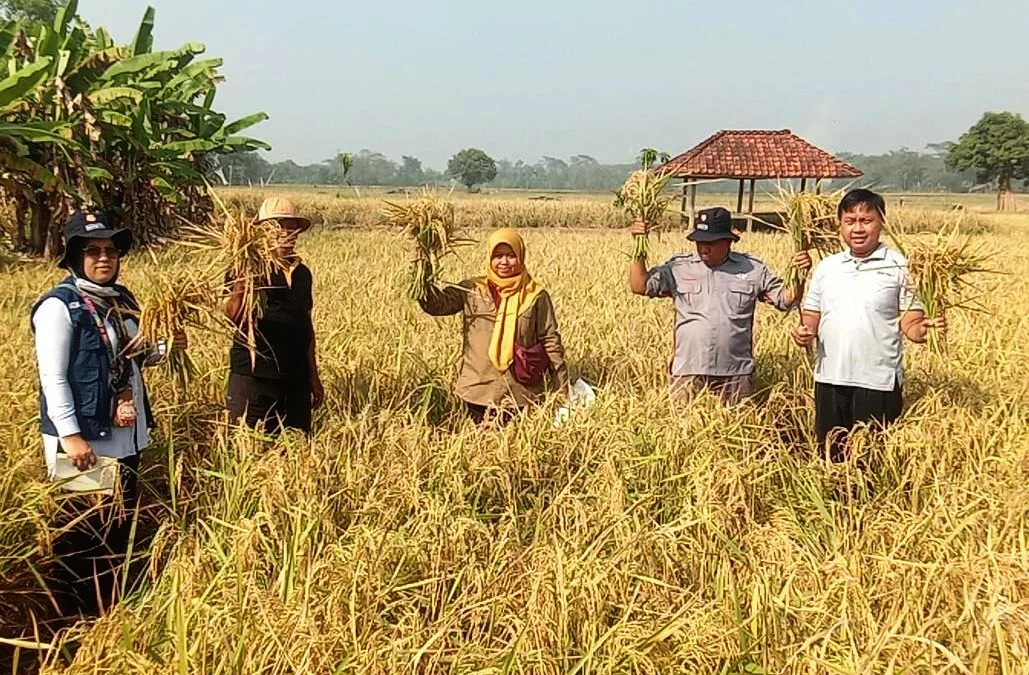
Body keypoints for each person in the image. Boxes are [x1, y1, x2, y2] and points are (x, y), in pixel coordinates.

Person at [30, 210, 187, 616]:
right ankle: (72, 618)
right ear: (73, 257)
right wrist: (71, 436)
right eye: (93, 251)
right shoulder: (59, 308)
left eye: (111, 250)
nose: (104, 258)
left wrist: (171, 345)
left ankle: (111, 610)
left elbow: (139, 357)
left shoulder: (123, 301)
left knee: (118, 525)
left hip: (126, 438)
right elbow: (53, 377)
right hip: (86, 442)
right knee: (83, 531)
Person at [791, 189, 946, 460]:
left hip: (877, 382)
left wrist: (927, 330)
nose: (858, 228)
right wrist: (804, 332)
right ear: (840, 224)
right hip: (830, 377)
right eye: (850, 221)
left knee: (871, 460)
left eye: (866, 220)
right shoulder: (827, 267)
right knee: (831, 456)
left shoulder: (901, 267)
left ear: (881, 222)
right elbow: (812, 314)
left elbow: (912, 324)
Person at [629, 206, 810, 404]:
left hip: (735, 373)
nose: (703, 248)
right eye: (700, 242)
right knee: (684, 431)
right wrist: (638, 246)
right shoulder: (679, 267)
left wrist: (800, 274)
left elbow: (786, 299)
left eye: (711, 243)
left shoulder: (752, 269)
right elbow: (640, 286)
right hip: (688, 371)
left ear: (728, 241)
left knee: (739, 426)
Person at [418, 228, 568, 424]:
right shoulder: (471, 290)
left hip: (521, 394)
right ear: (489, 257)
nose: (504, 262)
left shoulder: (535, 296)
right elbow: (435, 305)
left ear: (521, 256)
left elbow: (550, 340)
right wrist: (421, 267)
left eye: (510, 256)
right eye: (498, 256)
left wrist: (562, 387)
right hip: (478, 390)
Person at [225, 197, 323, 434]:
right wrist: (244, 283)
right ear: (263, 232)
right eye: (279, 225)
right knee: (247, 444)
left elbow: (306, 325)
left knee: (296, 447)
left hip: (295, 376)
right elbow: (232, 317)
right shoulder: (246, 267)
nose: (287, 233)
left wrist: (313, 375)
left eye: (292, 227)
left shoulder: (302, 273)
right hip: (256, 374)